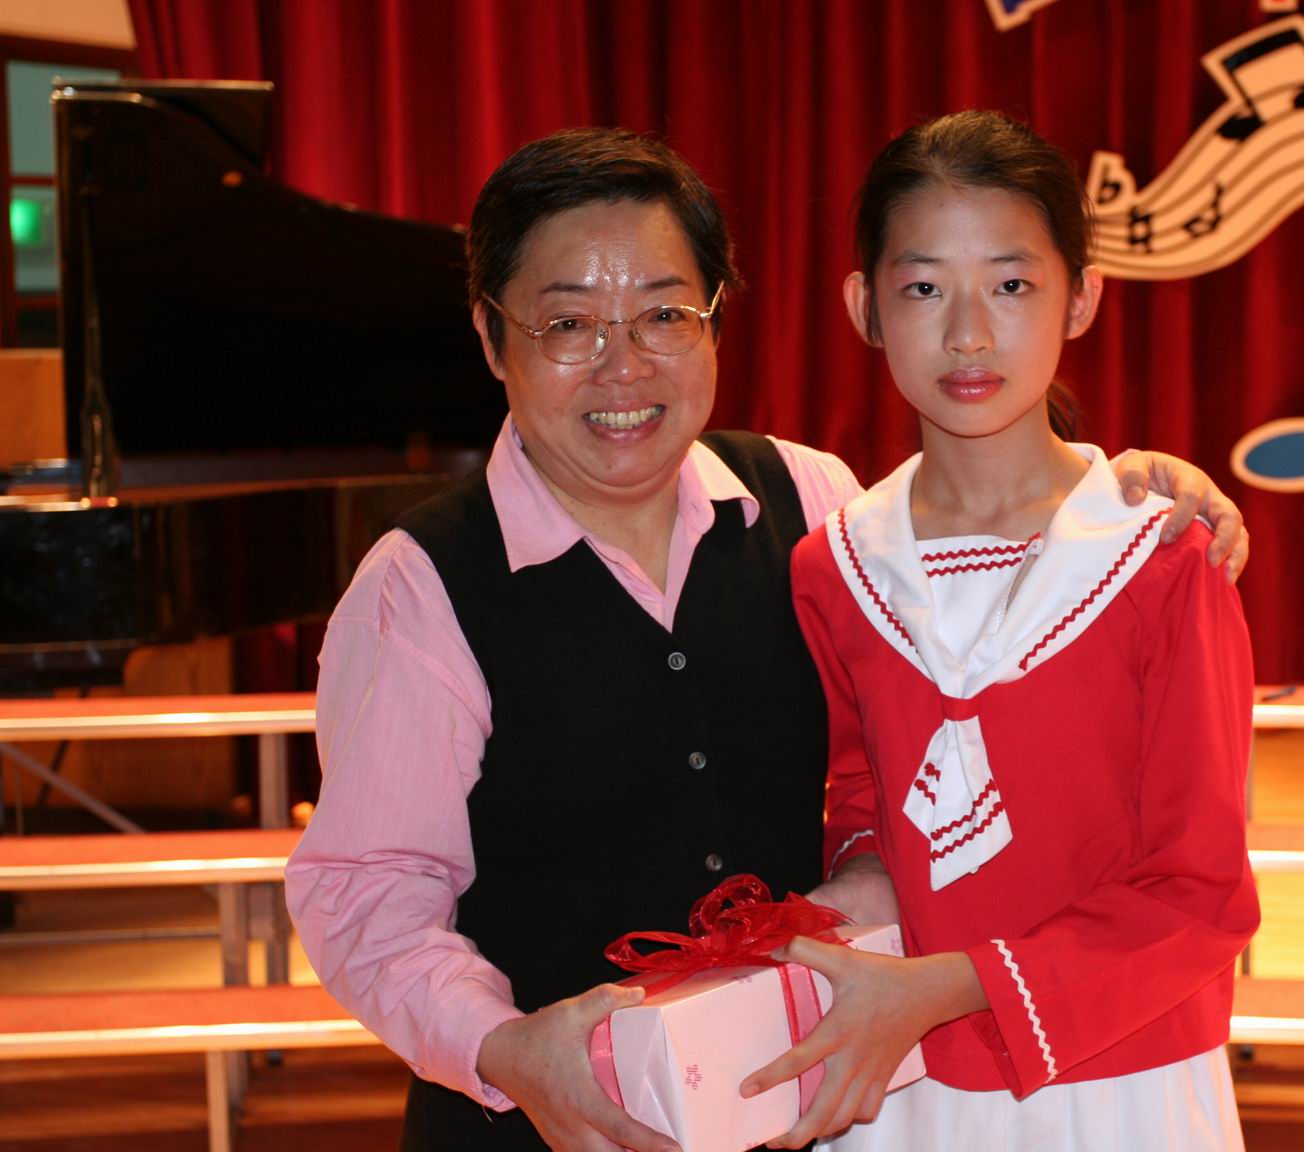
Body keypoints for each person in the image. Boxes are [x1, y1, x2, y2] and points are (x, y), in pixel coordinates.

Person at [284, 125, 1250, 1152]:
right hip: (549, 1127)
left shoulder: (817, 509)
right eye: (569, 324)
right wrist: (503, 1048)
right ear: (491, 336)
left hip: (817, 1108)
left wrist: (1124, 489)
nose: (623, 366)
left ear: (714, 321)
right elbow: (364, 892)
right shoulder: (418, 588)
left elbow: (896, 752)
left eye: (664, 314)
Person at [740, 111, 1259, 1150]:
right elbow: (864, 809)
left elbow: (1201, 890)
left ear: (1083, 297)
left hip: (1120, 1078)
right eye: (924, 289)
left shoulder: (1161, 557)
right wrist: (831, 915)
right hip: (900, 1074)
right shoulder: (835, 567)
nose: (969, 335)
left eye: (1012, 285)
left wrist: (954, 983)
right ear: (864, 307)